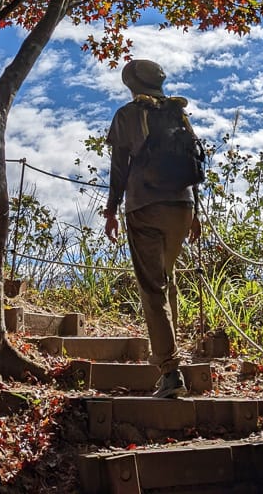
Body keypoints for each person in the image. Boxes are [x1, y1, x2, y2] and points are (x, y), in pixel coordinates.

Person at [103, 59, 201, 399]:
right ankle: (167, 354)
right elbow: (194, 163)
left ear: (131, 84)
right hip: (183, 206)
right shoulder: (177, 113)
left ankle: (170, 371)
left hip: (145, 206)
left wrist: (111, 210)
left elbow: (119, 167)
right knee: (167, 278)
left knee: (152, 287)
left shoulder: (128, 115)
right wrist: (197, 214)